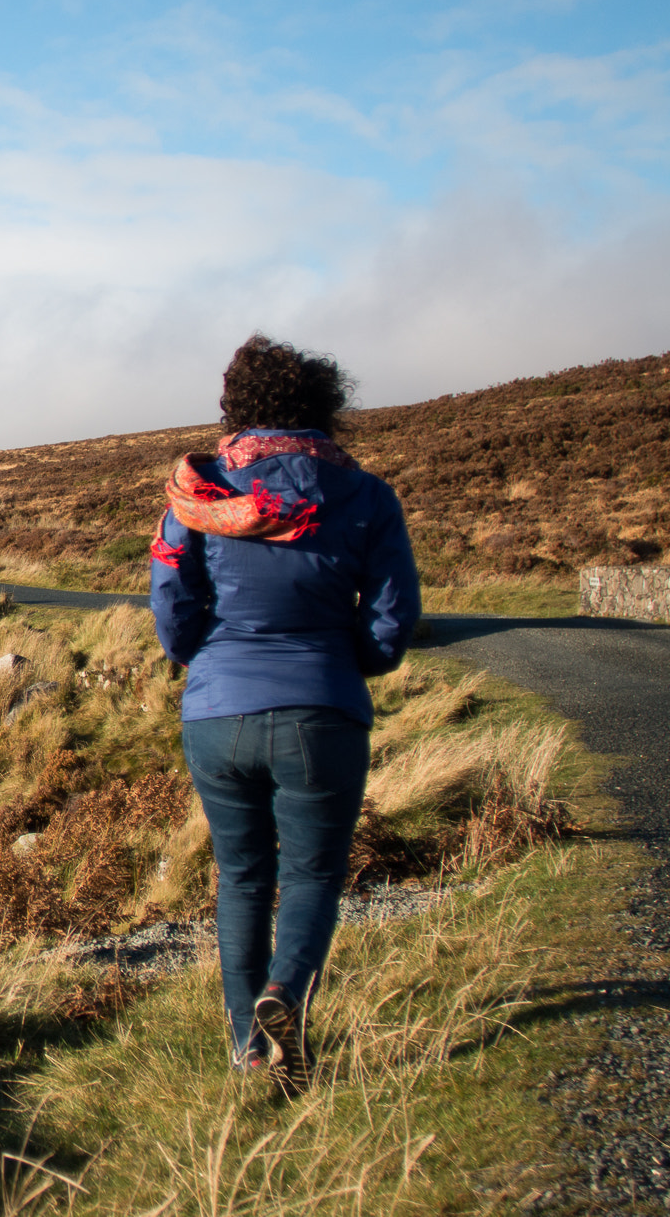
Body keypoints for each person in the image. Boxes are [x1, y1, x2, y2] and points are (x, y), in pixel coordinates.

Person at [149, 334, 419, 1093]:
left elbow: (170, 604)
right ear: (324, 405)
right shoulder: (365, 497)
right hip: (323, 710)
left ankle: (249, 1048)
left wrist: (207, 662)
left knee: (240, 878)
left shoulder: (195, 494)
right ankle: (284, 995)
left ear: (235, 407)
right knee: (312, 874)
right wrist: (344, 664)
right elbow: (394, 618)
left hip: (215, 715)